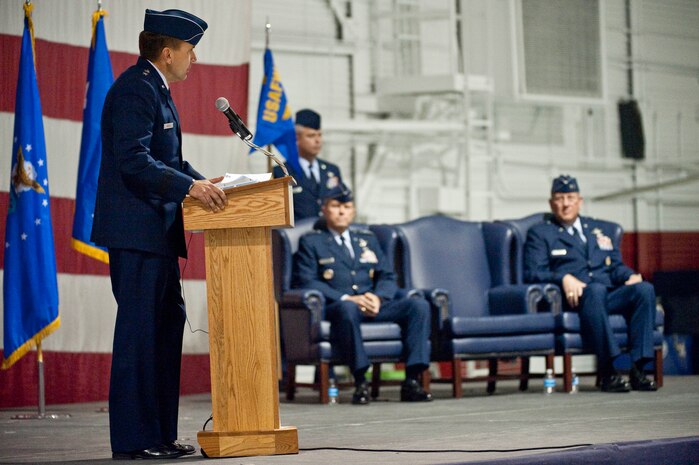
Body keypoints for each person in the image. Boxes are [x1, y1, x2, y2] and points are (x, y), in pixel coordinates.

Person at [91, 9, 228, 460]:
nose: (194, 60)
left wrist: (209, 183)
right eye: (190, 51)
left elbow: (168, 161)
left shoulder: (157, 89)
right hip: (136, 234)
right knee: (140, 337)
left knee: (163, 333)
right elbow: (133, 159)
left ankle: (159, 435)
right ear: (167, 53)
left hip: (157, 234)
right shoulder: (135, 89)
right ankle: (136, 440)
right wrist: (190, 187)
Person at [293, 184, 433, 404]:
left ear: (353, 211)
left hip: (372, 303)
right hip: (341, 306)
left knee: (418, 305)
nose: (341, 212)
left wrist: (378, 298)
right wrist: (347, 298)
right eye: (336, 206)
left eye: (347, 207)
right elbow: (307, 280)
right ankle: (361, 381)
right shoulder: (312, 241)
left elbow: (387, 276)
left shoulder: (367, 239)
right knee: (348, 309)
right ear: (324, 209)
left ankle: (412, 380)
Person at [524, 175, 657, 393]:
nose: (565, 203)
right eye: (559, 198)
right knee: (594, 290)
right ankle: (609, 371)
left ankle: (639, 369)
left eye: (570, 197)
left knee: (644, 289)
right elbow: (532, 273)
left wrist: (631, 275)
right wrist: (563, 278)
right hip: (577, 298)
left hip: (608, 294)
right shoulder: (541, 233)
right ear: (551, 203)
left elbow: (614, 266)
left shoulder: (597, 230)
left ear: (580, 201)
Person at [273, 109, 344, 221]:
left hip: (327, 234)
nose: (317, 140)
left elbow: (342, 203)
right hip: (297, 235)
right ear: (297, 139)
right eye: (311, 136)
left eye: (319, 135)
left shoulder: (331, 171)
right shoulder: (282, 172)